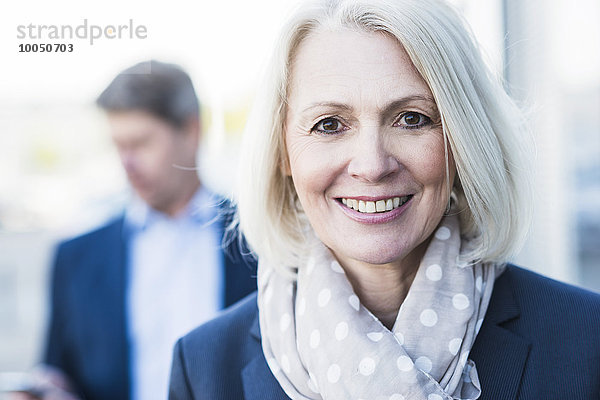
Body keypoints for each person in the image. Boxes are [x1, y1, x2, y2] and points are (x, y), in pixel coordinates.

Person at [168, 0, 600, 399]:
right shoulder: (205, 368)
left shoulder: (585, 340)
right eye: (329, 124)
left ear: (463, 141)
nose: (372, 165)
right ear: (283, 153)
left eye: (412, 119)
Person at [25, 61, 257, 400]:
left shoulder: (261, 237)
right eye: (119, 145)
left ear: (192, 131)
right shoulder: (76, 257)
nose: (127, 163)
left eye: (141, 143)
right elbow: (57, 374)